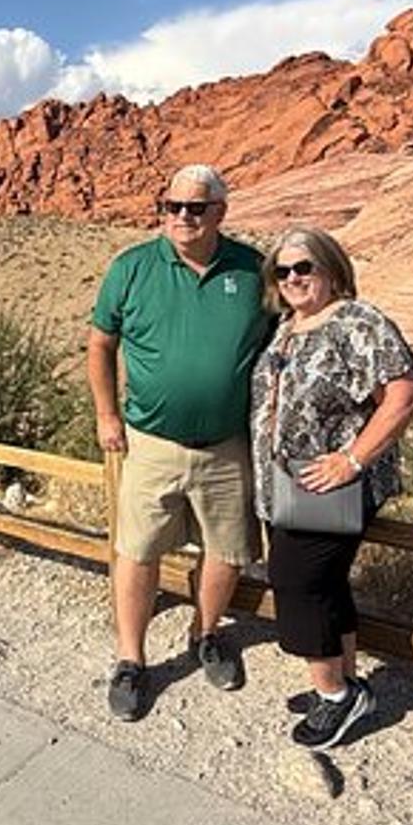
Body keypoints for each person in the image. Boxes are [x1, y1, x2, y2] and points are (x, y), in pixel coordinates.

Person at [88, 164, 274, 720]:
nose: (183, 217)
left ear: (221, 212)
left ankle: (206, 633)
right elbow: (100, 344)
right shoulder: (132, 267)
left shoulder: (252, 269)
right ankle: (131, 660)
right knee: (137, 550)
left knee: (227, 550)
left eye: (196, 207)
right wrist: (106, 415)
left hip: (227, 445)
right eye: (173, 206)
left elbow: (288, 335)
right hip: (150, 442)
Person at [250, 226, 413, 750]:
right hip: (290, 485)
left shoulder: (357, 322)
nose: (293, 278)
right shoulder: (286, 327)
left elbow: (403, 396)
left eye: (304, 267)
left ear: (331, 269)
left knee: (296, 582)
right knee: (324, 584)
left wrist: (352, 460)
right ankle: (345, 681)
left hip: (333, 485)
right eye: (282, 270)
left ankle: (335, 695)